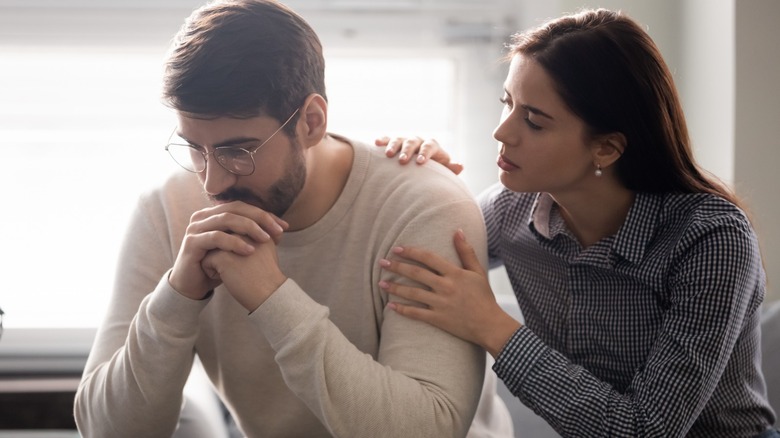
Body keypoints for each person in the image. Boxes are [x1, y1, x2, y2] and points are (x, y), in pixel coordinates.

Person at [73, 0, 513, 437]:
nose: (213, 182)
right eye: (194, 147)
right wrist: (178, 297)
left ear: (312, 121)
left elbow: (424, 431)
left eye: (237, 150)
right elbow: (105, 431)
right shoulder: (166, 211)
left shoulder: (425, 207)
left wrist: (272, 298)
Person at [376, 8, 779, 437]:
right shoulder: (510, 210)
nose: (502, 133)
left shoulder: (711, 238)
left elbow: (645, 430)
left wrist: (490, 323)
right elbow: (419, 251)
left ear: (606, 149)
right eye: (506, 104)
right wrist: (426, 181)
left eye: (533, 120)